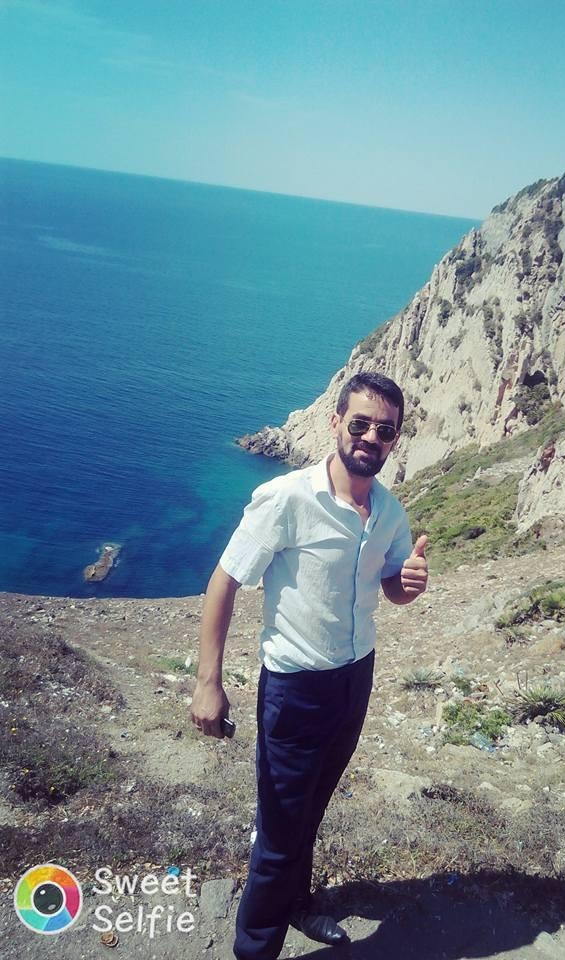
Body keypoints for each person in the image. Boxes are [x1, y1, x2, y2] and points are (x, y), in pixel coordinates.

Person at [190, 371, 429, 960]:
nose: (371, 437)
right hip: (294, 690)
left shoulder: (390, 513)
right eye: (360, 424)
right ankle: (255, 949)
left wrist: (407, 584)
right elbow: (225, 581)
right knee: (278, 836)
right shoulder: (286, 498)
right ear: (335, 422)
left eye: (385, 430)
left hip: (354, 681)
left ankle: (296, 903)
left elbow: (391, 586)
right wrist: (207, 682)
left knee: (310, 812)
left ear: (396, 439)